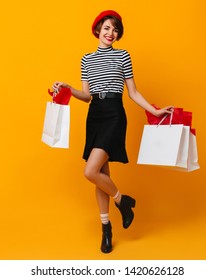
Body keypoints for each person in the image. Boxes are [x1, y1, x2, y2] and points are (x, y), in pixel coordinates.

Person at [52, 10, 173, 254]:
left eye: (115, 30)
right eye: (107, 28)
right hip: (95, 114)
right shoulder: (86, 59)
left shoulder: (123, 56)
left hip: (114, 113)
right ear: (97, 29)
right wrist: (69, 88)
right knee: (101, 173)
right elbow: (86, 96)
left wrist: (155, 111)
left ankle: (122, 201)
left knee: (91, 171)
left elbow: (133, 93)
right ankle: (106, 229)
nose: (111, 33)